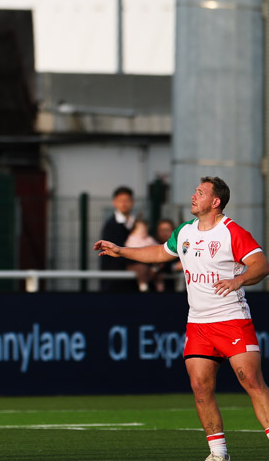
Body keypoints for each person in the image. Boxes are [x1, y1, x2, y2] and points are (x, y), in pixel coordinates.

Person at [95, 176, 269, 461]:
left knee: (251, 380)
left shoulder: (232, 232)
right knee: (200, 386)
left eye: (200, 193)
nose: (193, 196)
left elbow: (261, 265)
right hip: (198, 324)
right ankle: (218, 454)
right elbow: (160, 253)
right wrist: (121, 250)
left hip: (231, 319)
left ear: (215, 202)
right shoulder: (186, 231)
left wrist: (239, 280)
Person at [99, 186, 136, 292]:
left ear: (132, 202)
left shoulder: (137, 223)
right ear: (114, 202)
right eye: (120, 201)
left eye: (127, 201)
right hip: (115, 281)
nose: (124, 204)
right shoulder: (111, 225)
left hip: (133, 282)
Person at [124, 218, 164, 293]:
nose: (144, 232)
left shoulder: (149, 239)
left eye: (145, 230)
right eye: (141, 230)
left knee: (158, 272)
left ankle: (159, 285)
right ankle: (143, 286)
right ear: (134, 231)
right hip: (138, 264)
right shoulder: (132, 239)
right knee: (142, 270)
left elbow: (158, 247)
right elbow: (133, 251)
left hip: (151, 263)